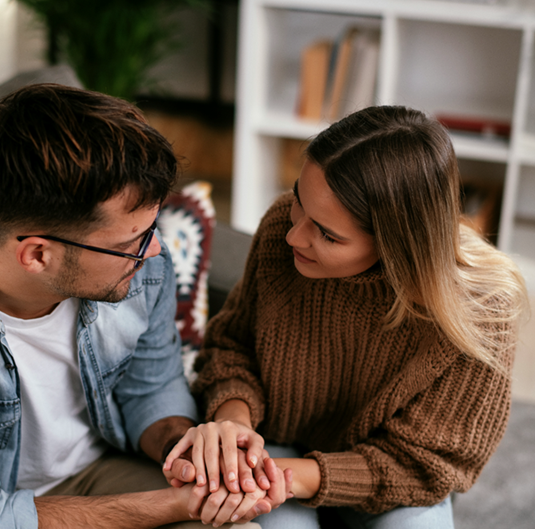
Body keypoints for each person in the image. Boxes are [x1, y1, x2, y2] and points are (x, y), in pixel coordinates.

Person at [0, 83, 290, 529]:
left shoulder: (139, 267)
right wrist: (182, 504)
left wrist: (192, 452)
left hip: (97, 473)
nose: (154, 250)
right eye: (129, 242)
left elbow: (150, 388)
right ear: (38, 255)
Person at [163, 105, 529, 528]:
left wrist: (300, 477)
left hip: (386, 481)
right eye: (299, 199)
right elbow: (234, 346)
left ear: (395, 246)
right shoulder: (282, 230)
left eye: (328, 234)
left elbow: (429, 463)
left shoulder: (482, 310)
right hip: (276, 449)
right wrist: (234, 423)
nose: (293, 234)